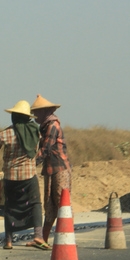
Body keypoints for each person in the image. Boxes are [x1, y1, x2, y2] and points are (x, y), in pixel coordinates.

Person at [0, 100, 48, 250]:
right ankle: (38, 235)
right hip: (29, 177)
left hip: (10, 178)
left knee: (10, 207)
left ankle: (8, 241)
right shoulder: (35, 132)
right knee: (35, 204)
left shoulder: (6, 134)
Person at [31, 94, 72, 243]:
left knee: (62, 202)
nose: (34, 116)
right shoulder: (44, 127)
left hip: (60, 168)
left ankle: (68, 237)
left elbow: (46, 149)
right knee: (50, 204)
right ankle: (43, 238)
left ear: (44, 112)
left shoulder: (52, 126)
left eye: (36, 112)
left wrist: (31, 164)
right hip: (50, 168)